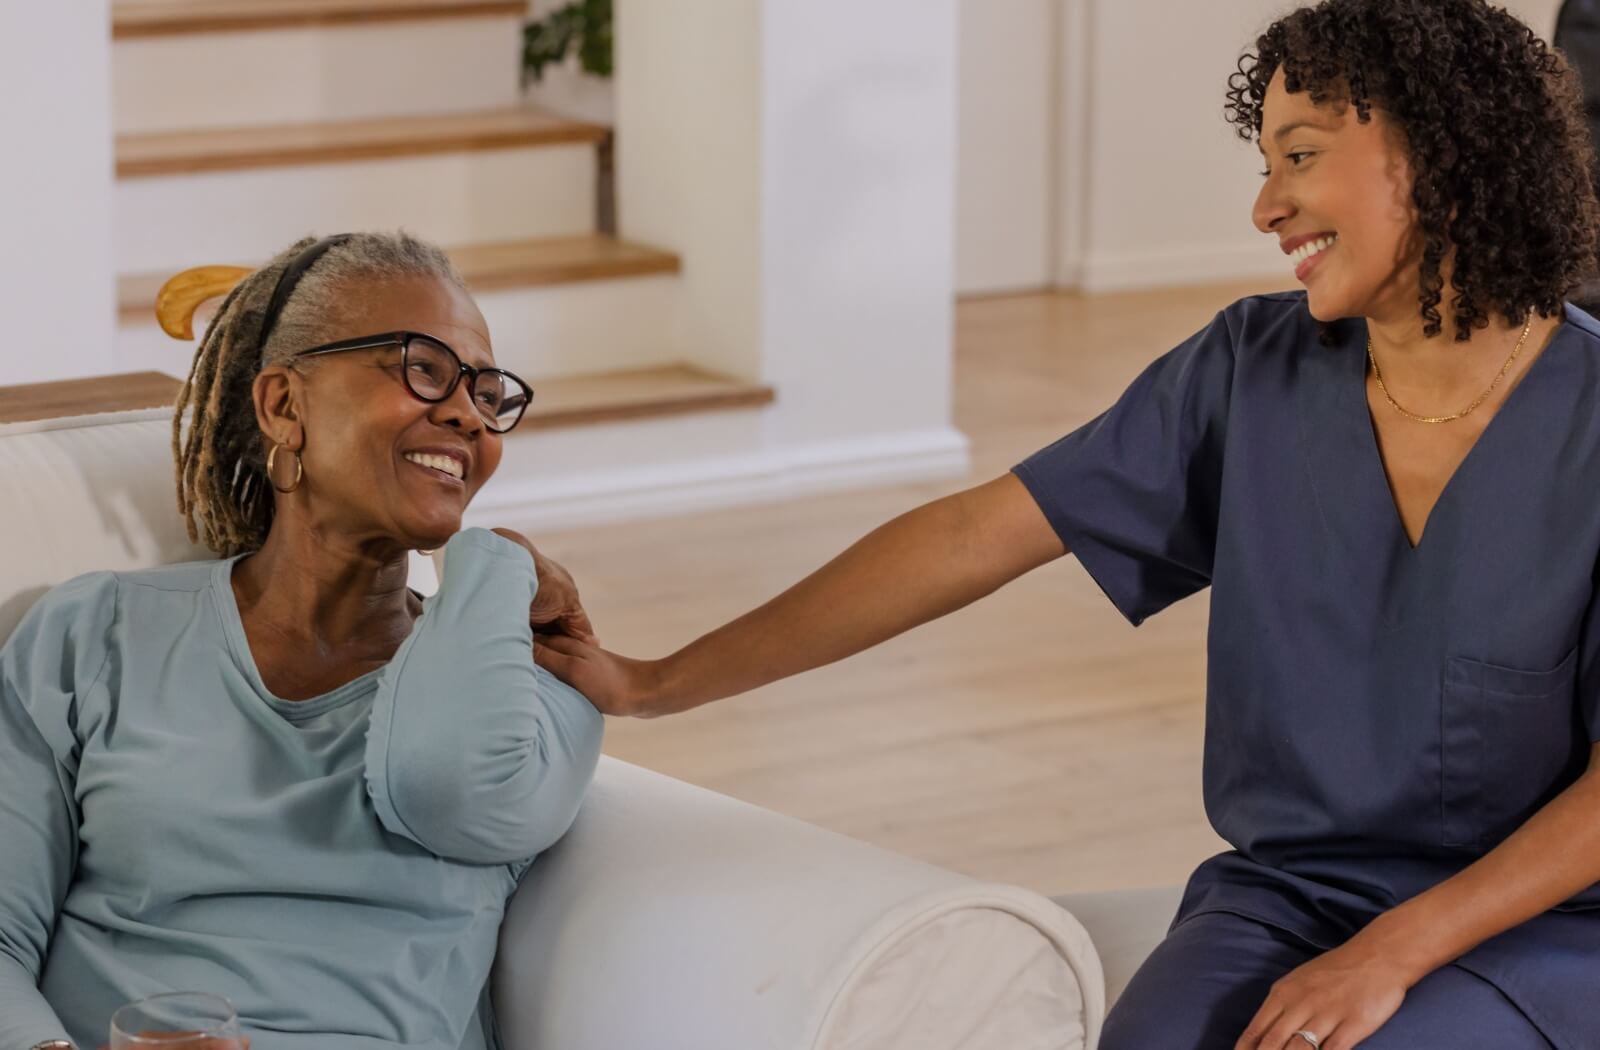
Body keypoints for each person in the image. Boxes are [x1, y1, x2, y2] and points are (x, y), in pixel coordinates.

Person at [534, 2, 1600, 1047]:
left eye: (1300, 155)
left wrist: (1392, 953)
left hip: (1539, 927)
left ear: (1443, 149)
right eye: (1263, 163)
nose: (1265, 206)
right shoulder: (1248, 370)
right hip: (1289, 896)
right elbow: (969, 539)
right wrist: (655, 681)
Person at [0, 232, 604, 1049]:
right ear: (284, 405)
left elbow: (445, 787)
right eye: (422, 367)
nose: (468, 411)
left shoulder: (537, 689)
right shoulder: (94, 634)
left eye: (489, 392)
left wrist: (494, 562)